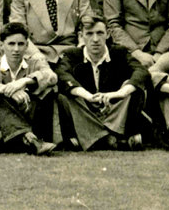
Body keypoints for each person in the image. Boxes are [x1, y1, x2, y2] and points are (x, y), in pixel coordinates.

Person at [0, 24, 61, 155]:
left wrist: (24, 81)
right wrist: (5, 89)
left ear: (27, 45)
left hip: (26, 119)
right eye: (11, 44)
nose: (16, 49)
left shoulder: (34, 63)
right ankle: (29, 137)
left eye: (21, 44)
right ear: (1, 45)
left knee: (47, 89)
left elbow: (52, 76)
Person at [57, 20, 147, 151]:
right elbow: (61, 74)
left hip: (114, 111)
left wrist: (119, 93)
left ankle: (99, 137)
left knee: (132, 87)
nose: (95, 39)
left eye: (100, 33)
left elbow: (142, 72)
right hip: (86, 111)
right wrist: (87, 96)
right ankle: (110, 137)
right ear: (81, 36)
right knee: (64, 96)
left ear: (108, 34)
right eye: (89, 34)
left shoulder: (119, 52)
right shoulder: (72, 55)